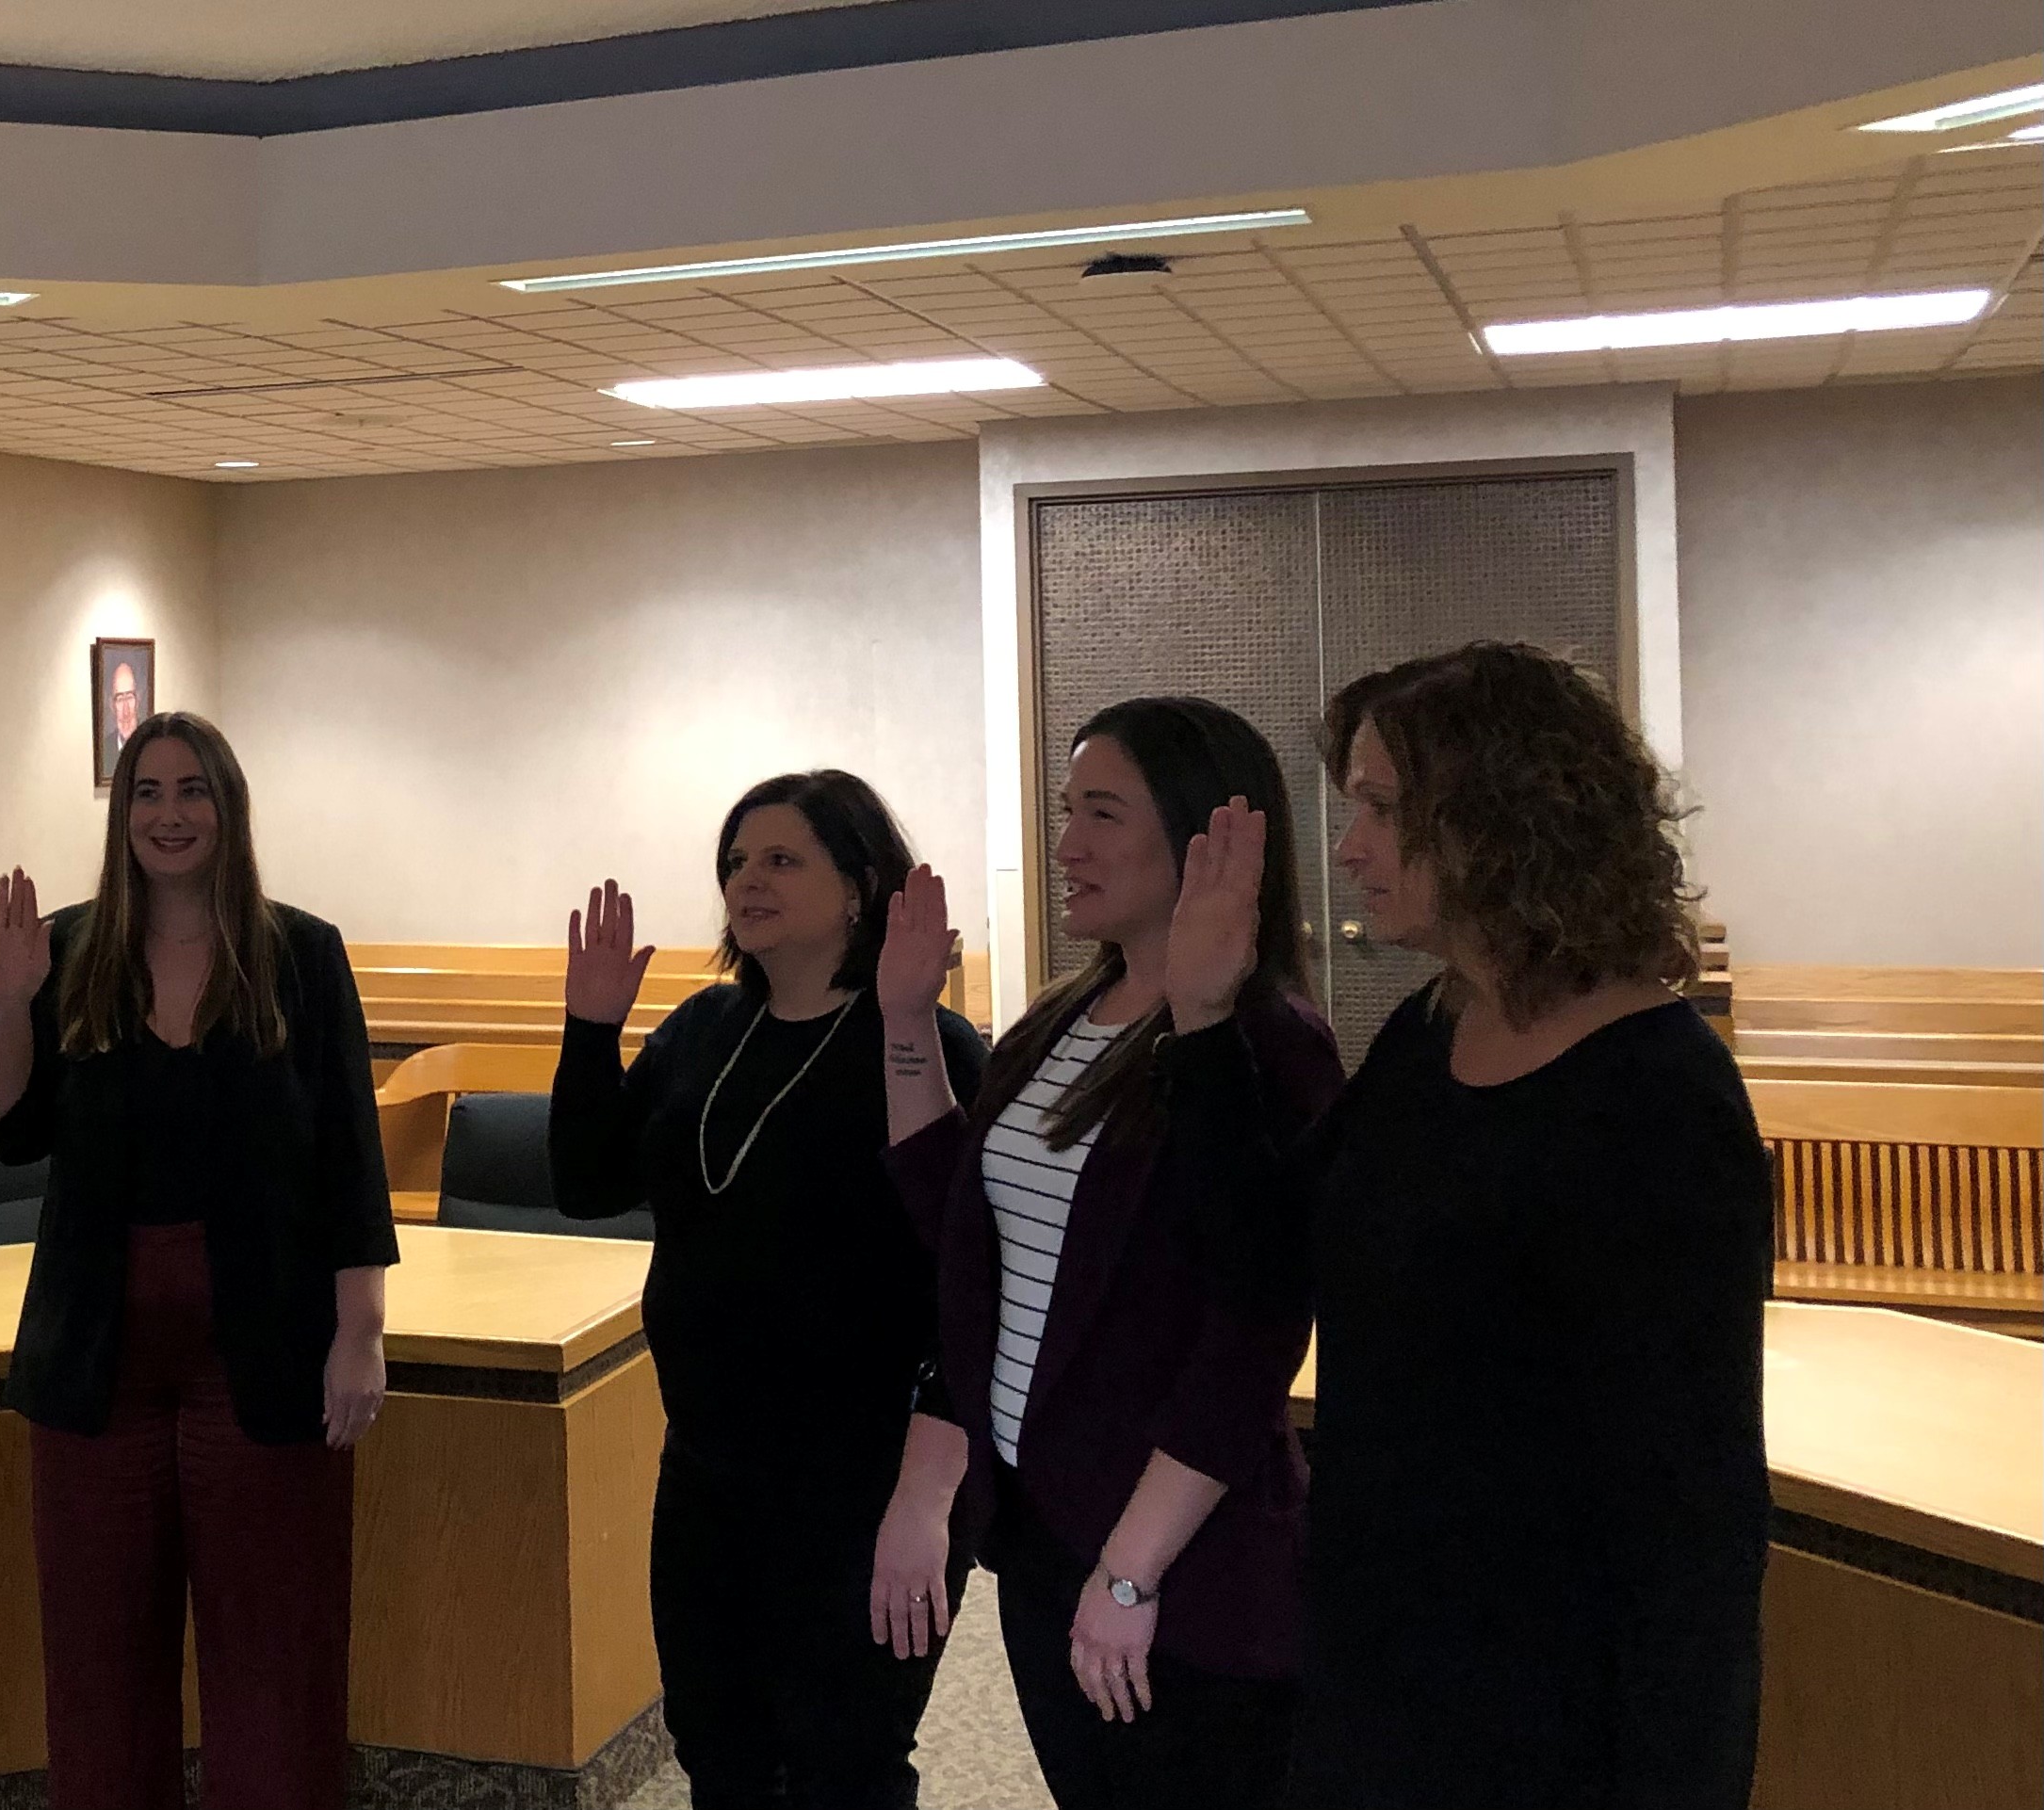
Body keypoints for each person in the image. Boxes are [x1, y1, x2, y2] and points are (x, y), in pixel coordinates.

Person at [1165, 641, 1770, 1808]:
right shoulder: (1425, 1032)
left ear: (1505, 819)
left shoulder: (1654, 1097)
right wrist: (1199, 1018)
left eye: (1384, 809)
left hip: (1545, 1707)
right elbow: (1261, 1254)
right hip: (1378, 1654)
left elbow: (1689, 1524)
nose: (1348, 848)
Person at [866, 700, 1340, 1810]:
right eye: (1065, 810)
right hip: (1044, 1530)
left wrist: (1131, 1568)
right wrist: (902, 1022)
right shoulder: (1060, 1016)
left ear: (1198, 840)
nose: (1066, 843)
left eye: (1100, 811)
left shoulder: (1269, 1041)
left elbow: (1254, 1332)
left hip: (1181, 1558)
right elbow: (962, 1238)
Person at [0, 710, 397, 1810]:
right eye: (146, 792)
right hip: (94, 1352)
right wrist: (5, 1004)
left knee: (274, 1658)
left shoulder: (300, 951)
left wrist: (361, 1333)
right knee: (99, 1658)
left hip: (266, 1345)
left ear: (228, 808)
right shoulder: (65, 949)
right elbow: (11, 1129)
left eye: (192, 790)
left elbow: (350, 1151)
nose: (168, 813)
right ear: (120, 816)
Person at [549, 770, 989, 1809]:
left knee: (844, 1760)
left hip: (866, 1475)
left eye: (781, 859)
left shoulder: (925, 1046)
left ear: (857, 886)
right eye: (735, 861)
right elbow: (585, 1183)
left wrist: (926, 1500)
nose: (747, 879)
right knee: (720, 1746)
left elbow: (967, 1287)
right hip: (707, 1463)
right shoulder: (703, 1029)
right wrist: (588, 1030)